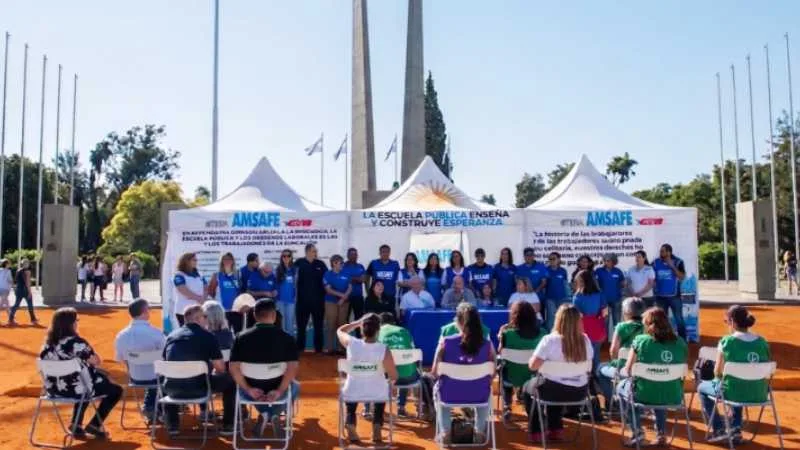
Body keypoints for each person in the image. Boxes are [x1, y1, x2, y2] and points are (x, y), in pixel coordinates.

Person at [41, 307, 122, 440]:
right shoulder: (77, 343)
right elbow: (96, 361)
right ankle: (95, 425)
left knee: (83, 380)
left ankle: (76, 424)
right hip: (78, 389)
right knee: (115, 390)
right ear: (71, 324)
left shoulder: (47, 345)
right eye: (76, 321)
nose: (77, 323)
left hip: (54, 390)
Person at [698, 305, 771, 443]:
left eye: (726, 321)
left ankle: (718, 429)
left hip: (734, 391)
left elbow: (717, 371)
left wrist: (718, 380)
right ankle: (735, 429)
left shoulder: (727, 341)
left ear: (732, 322)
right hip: (760, 392)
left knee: (703, 388)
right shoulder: (762, 342)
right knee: (738, 383)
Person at [523, 304, 593, 442]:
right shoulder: (585, 340)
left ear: (558, 320)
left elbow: (533, 366)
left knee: (528, 387)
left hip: (552, 391)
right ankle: (555, 428)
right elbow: (589, 368)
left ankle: (537, 430)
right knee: (554, 383)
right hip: (579, 392)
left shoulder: (549, 340)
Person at [618, 307, 688, 446]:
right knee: (661, 386)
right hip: (673, 395)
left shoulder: (640, 341)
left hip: (644, 394)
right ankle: (661, 434)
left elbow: (628, 369)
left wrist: (622, 372)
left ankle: (637, 432)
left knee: (622, 388)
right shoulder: (680, 342)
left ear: (649, 324)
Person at [229, 299, 300, 436]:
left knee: (239, 387)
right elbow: (293, 368)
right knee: (295, 386)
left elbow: (233, 368)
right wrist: (279, 391)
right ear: (274, 315)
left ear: (254, 315)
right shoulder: (287, 338)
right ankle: (273, 414)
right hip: (276, 387)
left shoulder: (240, 338)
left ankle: (265, 414)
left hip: (252, 390)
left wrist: (248, 389)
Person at [162, 304, 235, 435]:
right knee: (231, 381)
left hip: (171, 390)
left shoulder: (171, 336)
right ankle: (228, 425)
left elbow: (165, 363)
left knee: (169, 377)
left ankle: (173, 425)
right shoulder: (208, 336)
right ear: (197, 319)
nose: (206, 319)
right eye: (204, 316)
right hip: (200, 389)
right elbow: (220, 368)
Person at [431, 303, 495, 444]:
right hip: (479, 395)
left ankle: (446, 432)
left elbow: (435, 372)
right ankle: (479, 431)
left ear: (459, 322)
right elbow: (492, 374)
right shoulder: (488, 345)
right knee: (486, 391)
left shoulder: (445, 343)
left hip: (449, 394)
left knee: (437, 390)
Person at [338, 314, 398, 444]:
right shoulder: (384, 349)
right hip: (377, 393)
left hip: (352, 391)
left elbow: (340, 331)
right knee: (382, 390)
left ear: (362, 328)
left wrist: (357, 323)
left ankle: (350, 422)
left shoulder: (351, 343)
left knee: (352, 392)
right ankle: (377, 425)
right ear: (378, 330)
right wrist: (391, 385)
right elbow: (393, 375)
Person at [114, 298, 165, 420]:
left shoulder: (121, 335)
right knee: (165, 374)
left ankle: (151, 406)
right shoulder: (156, 333)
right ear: (144, 312)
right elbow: (167, 355)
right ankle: (159, 407)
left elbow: (120, 359)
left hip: (135, 378)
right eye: (148, 309)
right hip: (157, 377)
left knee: (154, 375)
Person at [497, 301, 546, 421]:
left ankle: (507, 404)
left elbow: (500, 352)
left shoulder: (507, 334)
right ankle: (523, 395)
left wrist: (500, 336)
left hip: (511, 378)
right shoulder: (543, 334)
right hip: (534, 378)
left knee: (502, 366)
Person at [596, 297, 645, 412]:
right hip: (642, 369)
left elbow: (613, 350)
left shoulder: (621, 327)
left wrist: (616, 363)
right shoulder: (647, 326)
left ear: (627, 311)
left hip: (624, 368)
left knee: (599, 369)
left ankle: (614, 402)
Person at [377, 313, 420, 417]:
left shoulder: (377, 332)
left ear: (380, 323)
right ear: (393, 322)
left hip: (387, 378)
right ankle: (401, 407)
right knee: (405, 368)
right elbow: (414, 353)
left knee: (376, 373)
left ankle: (373, 409)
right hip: (409, 378)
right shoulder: (405, 331)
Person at [295, 244, 328, 352]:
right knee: (301, 327)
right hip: (302, 301)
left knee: (318, 327)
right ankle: (300, 349)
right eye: (314, 251)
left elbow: (327, 280)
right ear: (307, 251)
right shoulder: (299, 263)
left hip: (318, 302)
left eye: (316, 251)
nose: (316, 253)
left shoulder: (321, 264)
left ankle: (318, 350)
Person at [572, 269, 607, 371]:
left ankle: (586, 374)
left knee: (584, 354)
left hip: (583, 328)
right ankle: (596, 374)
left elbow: (576, 315)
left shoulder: (577, 296)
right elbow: (605, 312)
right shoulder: (599, 293)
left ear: (582, 281)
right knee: (596, 353)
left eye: (578, 281)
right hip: (597, 327)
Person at [652, 243, 687, 339]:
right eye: (660, 251)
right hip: (660, 297)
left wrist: (672, 266)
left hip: (674, 296)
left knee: (679, 319)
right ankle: (664, 339)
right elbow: (650, 276)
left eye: (662, 251)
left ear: (669, 252)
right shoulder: (655, 262)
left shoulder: (678, 262)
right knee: (661, 321)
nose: (660, 253)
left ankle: (683, 340)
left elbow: (682, 277)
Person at [323, 255, 352, 354]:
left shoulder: (346, 273)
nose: (342, 265)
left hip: (344, 303)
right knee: (331, 324)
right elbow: (328, 290)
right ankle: (329, 348)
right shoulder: (327, 274)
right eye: (340, 263)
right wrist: (342, 296)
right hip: (330, 302)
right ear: (334, 263)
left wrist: (343, 298)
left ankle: (341, 348)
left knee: (342, 325)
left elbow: (350, 287)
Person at [207, 253, 241, 331]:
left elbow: (241, 291)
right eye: (225, 259)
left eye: (229, 259)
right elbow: (211, 292)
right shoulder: (217, 275)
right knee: (223, 332)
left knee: (238, 333)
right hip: (222, 311)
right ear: (221, 261)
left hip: (236, 310)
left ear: (233, 261)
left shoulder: (238, 275)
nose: (227, 261)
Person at [172, 252, 207, 327]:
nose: (196, 262)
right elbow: (182, 289)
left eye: (196, 260)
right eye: (194, 260)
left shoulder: (200, 274)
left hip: (199, 310)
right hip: (183, 310)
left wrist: (204, 299)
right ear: (186, 261)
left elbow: (205, 288)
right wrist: (198, 298)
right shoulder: (179, 274)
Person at [595, 253, 626, 330]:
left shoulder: (618, 271)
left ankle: (617, 337)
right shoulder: (598, 271)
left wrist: (624, 284)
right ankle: (605, 338)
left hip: (616, 300)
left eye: (608, 260)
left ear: (613, 261)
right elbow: (595, 284)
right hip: (604, 301)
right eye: (605, 260)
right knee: (605, 322)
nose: (606, 262)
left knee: (617, 322)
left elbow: (623, 283)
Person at [544, 252, 569, 330]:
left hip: (562, 298)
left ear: (558, 260)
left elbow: (565, 284)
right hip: (550, 298)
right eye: (550, 259)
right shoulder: (546, 270)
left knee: (562, 317)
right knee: (551, 317)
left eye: (553, 259)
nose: (551, 260)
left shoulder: (563, 271)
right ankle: (550, 333)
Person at [342, 248, 366, 326]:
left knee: (359, 319)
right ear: (347, 255)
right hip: (345, 297)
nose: (354, 256)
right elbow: (342, 280)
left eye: (355, 254)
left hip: (358, 297)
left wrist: (350, 278)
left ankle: (359, 333)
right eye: (351, 254)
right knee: (344, 319)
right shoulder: (342, 266)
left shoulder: (360, 266)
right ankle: (345, 334)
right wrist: (357, 278)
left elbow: (363, 280)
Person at [276, 249, 298, 337]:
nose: (286, 258)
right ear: (281, 257)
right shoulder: (278, 269)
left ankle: (291, 343)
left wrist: (296, 297)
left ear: (291, 257)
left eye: (288, 256)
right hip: (280, 300)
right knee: (281, 324)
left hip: (291, 301)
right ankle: (282, 343)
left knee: (290, 325)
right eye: (284, 256)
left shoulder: (295, 270)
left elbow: (297, 285)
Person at [10, 258, 38, 325]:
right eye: (27, 263)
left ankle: (10, 318)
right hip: (25, 290)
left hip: (18, 289)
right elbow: (27, 283)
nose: (28, 264)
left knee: (16, 304)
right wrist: (29, 292)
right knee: (30, 305)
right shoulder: (27, 271)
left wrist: (15, 289)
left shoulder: (18, 270)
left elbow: (16, 281)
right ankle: (33, 319)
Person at [0, 259, 12, 324]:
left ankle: (11, 318)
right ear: (6, 264)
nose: (10, 264)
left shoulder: (0, 270)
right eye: (9, 263)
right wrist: (13, 285)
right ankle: (11, 318)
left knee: (7, 304)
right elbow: (10, 280)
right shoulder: (8, 271)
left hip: (1, 288)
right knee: (1, 304)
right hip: (5, 289)